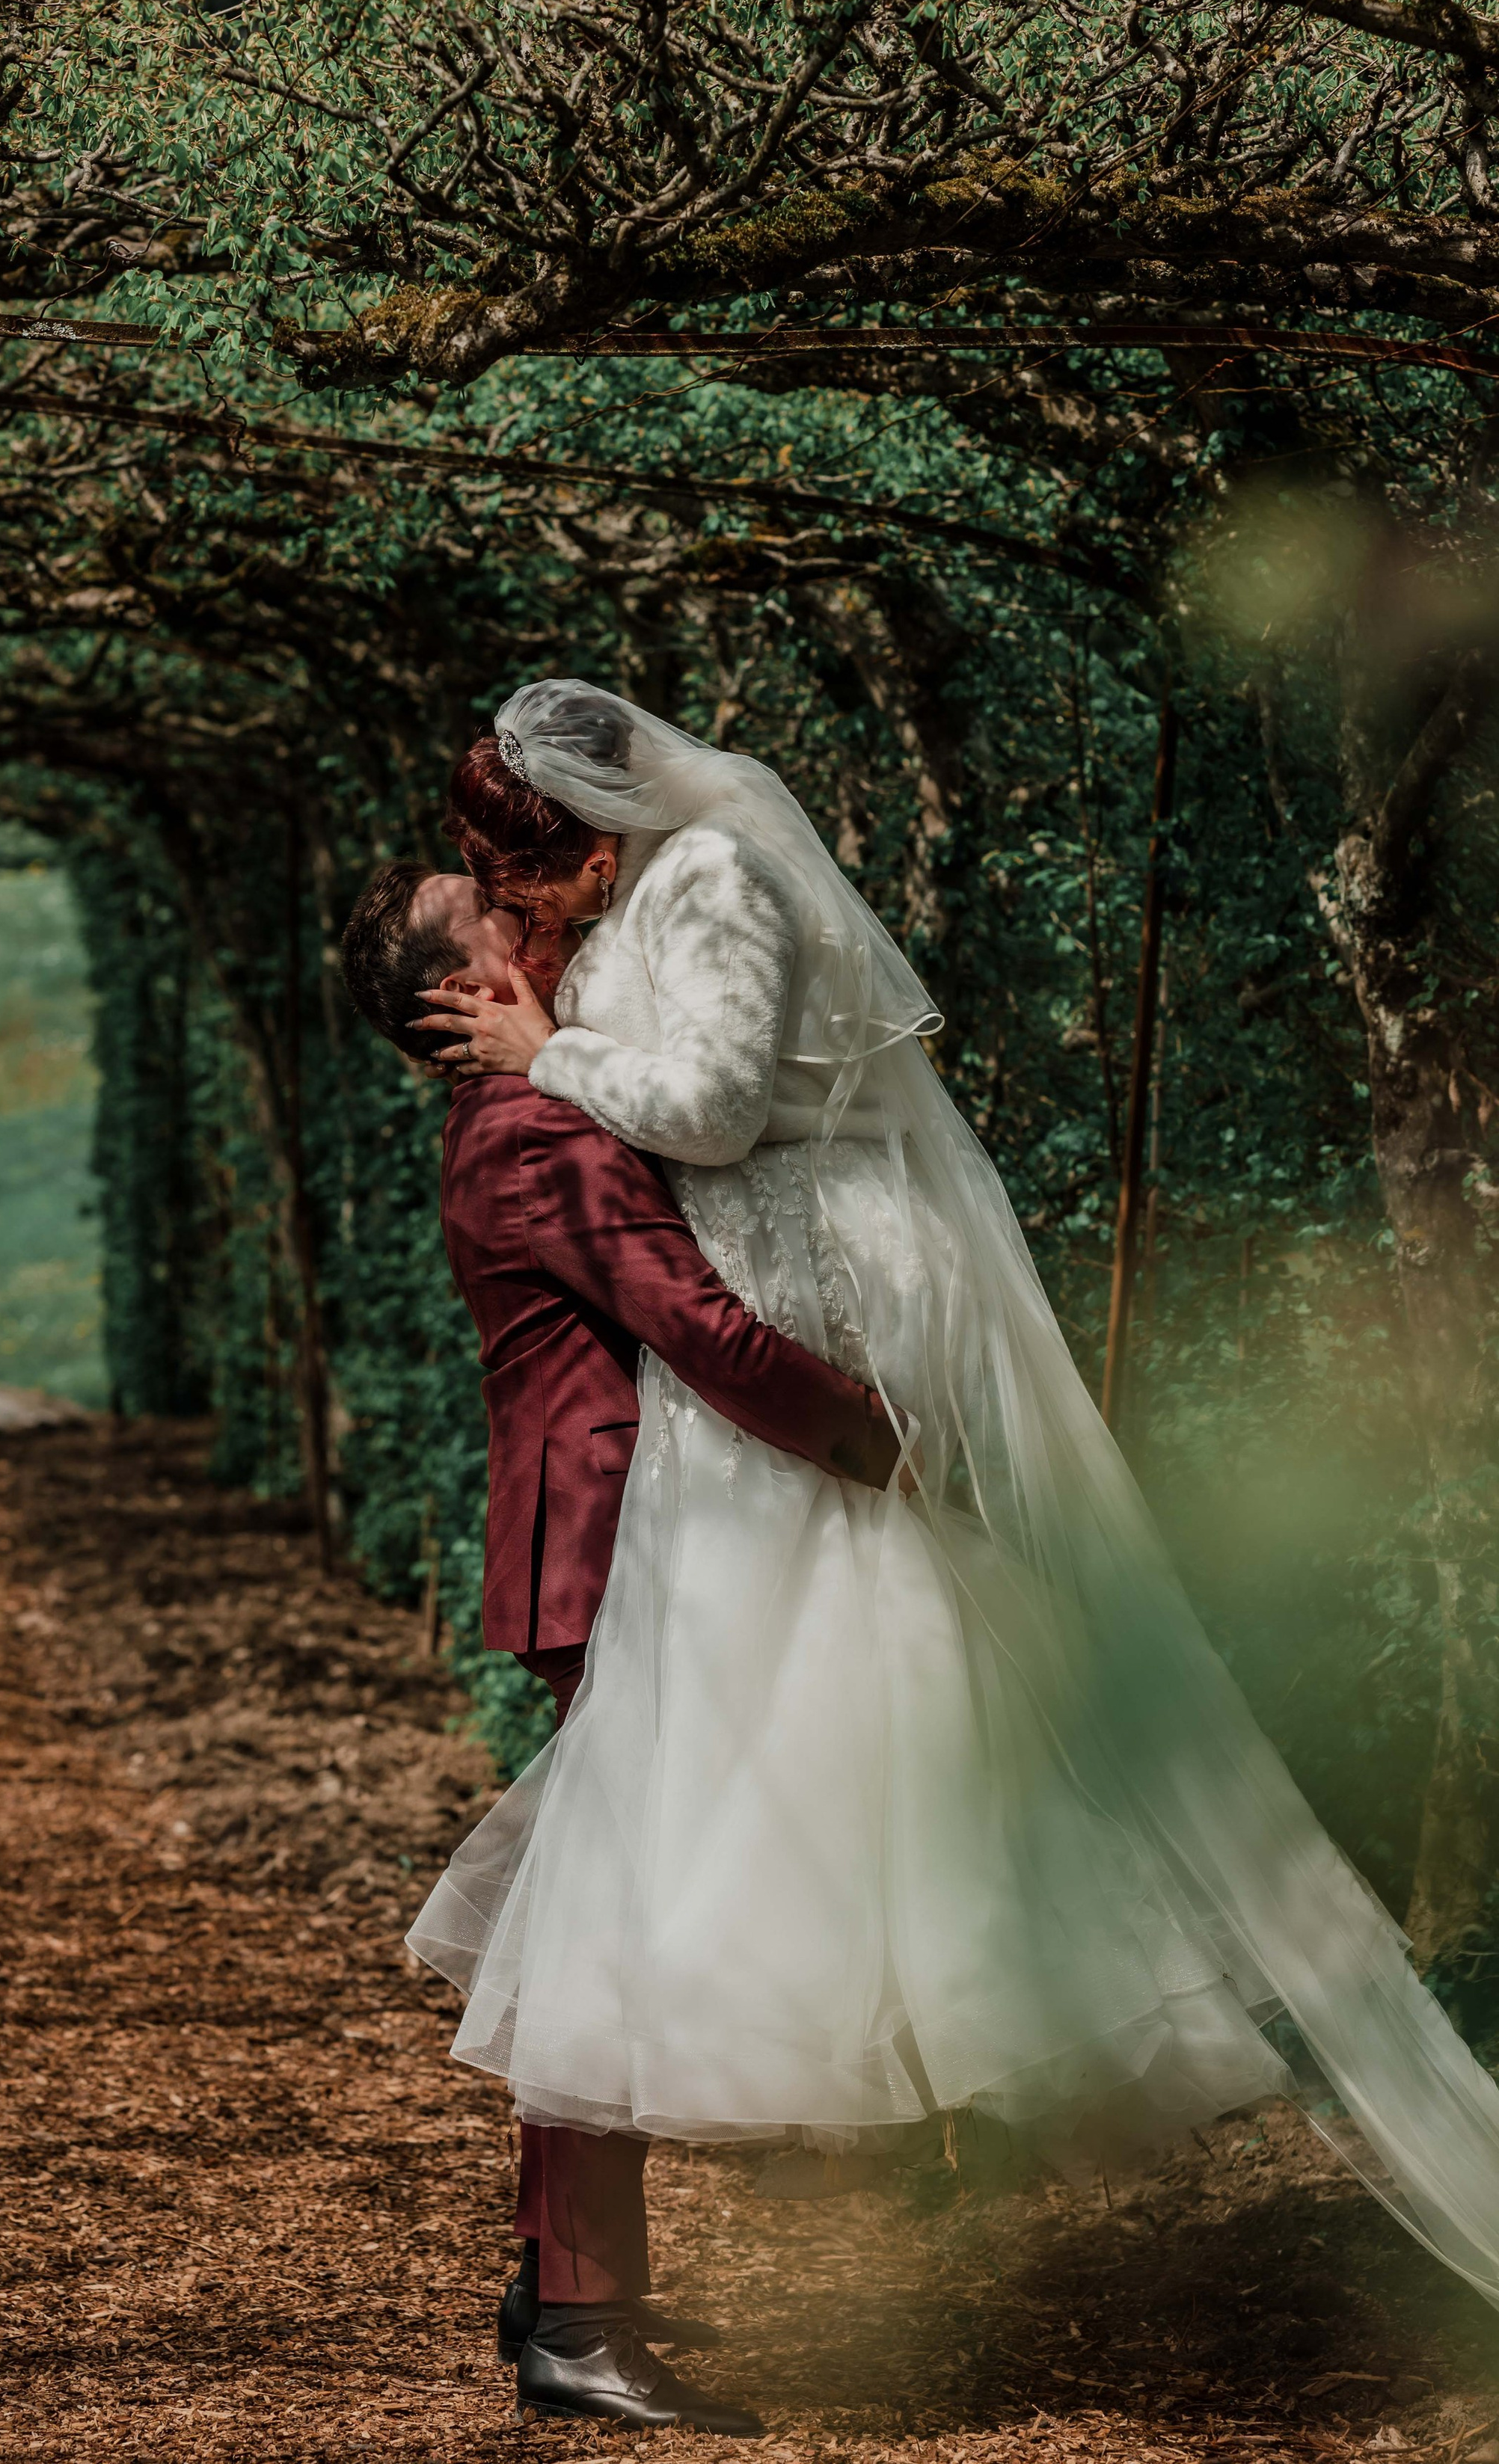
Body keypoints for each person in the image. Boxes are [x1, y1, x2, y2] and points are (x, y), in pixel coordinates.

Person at [403, 678, 1499, 2337]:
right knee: (706, 1801)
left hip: (779, 1360)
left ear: (587, 829)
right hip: (736, 1409)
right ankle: (582, 2286)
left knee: (794, 1757)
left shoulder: (705, 879)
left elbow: (700, 1111)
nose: (520, 909)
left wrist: (551, 1045)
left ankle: (592, 2281)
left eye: (524, 874)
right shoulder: (620, 936)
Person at [342, 858, 910, 2434]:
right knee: (614, 1927)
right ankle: (580, 2319)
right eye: (501, 920)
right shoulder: (535, 1131)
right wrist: (891, 1447)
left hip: (592, 1542)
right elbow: (700, 1330)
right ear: (461, 996)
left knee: (606, 1905)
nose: (551, 925)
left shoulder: (527, 1112)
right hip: (609, 1548)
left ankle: (561, 2282)